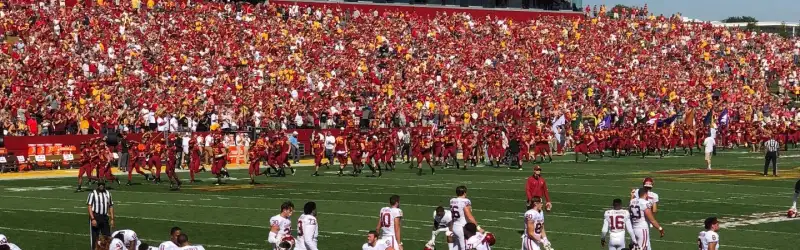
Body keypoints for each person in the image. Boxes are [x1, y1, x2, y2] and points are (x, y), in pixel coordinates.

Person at [450, 185, 479, 250]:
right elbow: (469, 216)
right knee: (465, 247)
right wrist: (478, 227)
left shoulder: (452, 201)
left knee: (456, 246)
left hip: (455, 227)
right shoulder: (465, 201)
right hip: (462, 227)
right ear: (464, 193)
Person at [87, 181, 114, 250]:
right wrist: (92, 219)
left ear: (104, 185)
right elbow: (89, 206)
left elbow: (110, 206)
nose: (101, 186)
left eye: (102, 184)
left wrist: (112, 219)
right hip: (95, 216)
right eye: (100, 184)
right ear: (98, 185)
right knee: (95, 237)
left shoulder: (108, 193)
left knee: (107, 237)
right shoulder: (93, 194)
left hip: (105, 217)